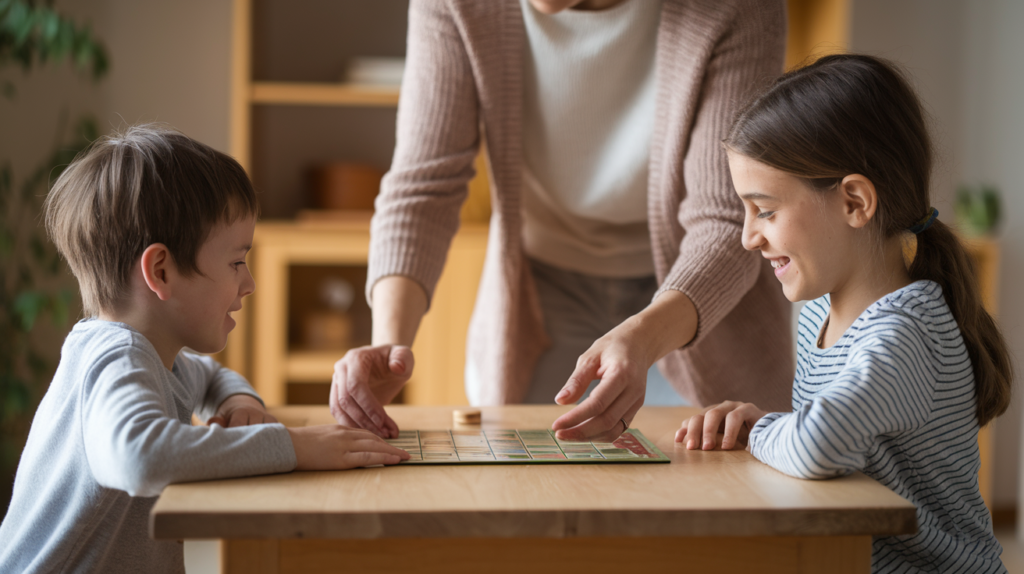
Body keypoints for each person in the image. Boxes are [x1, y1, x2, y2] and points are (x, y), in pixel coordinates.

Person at [330, 0, 794, 443]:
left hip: (695, 301)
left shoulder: (739, 6)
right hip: (541, 292)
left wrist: (645, 335)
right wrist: (388, 347)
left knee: (718, 485)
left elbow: (728, 216)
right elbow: (423, 188)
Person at [0, 125, 409, 574]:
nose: (249, 284)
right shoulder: (117, 356)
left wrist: (239, 403)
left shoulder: (152, 355)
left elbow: (211, 375)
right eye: (237, 262)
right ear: (161, 271)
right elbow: (141, 458)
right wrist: (293, 446)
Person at [676, 54, 1011, 573]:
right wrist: (772, 423)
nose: (747, 236)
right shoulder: (818, 313)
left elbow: (818, 447)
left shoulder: (904, 335)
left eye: (765, 210)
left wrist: (759, 429)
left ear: (855, 202)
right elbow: (842, 442)